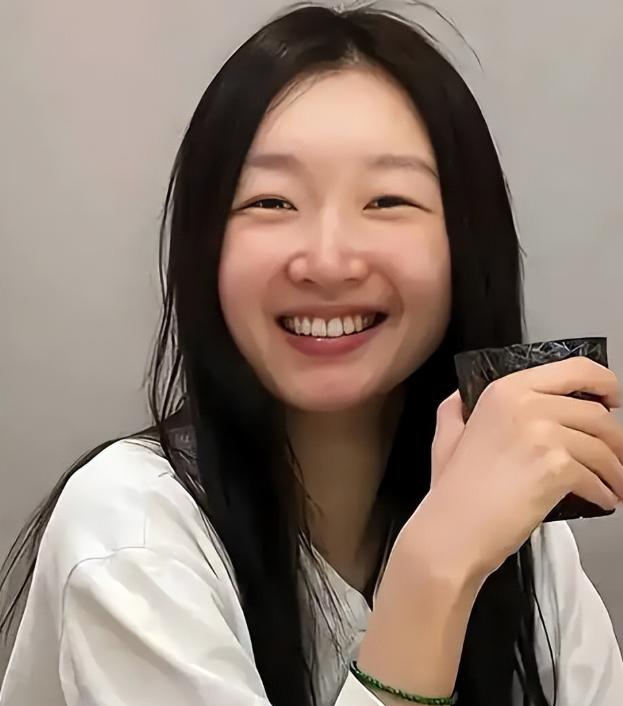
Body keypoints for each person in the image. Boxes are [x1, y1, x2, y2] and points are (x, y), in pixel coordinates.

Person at [1, 4, 622, 705]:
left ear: (464, 244)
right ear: (204, 245)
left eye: (387, 200)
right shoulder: (129, 529)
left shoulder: (512, 523)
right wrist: (438, 567)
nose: (327, 262)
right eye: (271, 202)